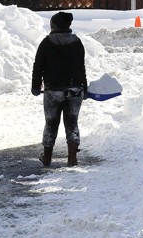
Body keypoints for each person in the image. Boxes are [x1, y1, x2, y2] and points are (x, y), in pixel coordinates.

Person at [31, 11, 87, 166]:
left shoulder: (46, 42)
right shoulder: (77, 42)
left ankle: (47, 156)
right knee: (72, 121)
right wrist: (85, 87)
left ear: (54, 25)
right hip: (75, 89)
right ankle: (72, 157)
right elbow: (81, 67)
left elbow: (38, 66)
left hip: (53, 90)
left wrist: (36, 86)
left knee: (51, 122)